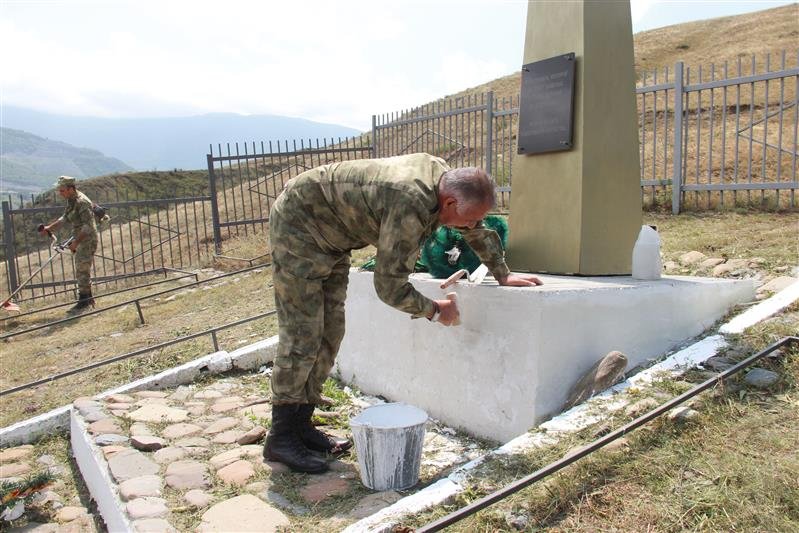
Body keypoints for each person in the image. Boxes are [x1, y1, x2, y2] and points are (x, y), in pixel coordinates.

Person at [265, 152, 543, 474]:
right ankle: (282, 437)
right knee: (303, 334)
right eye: (467, 219)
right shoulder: (410, 203)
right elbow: (389, 287)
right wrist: (435, 311)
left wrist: (502, 273)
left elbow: (475, 229)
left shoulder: (448, 185)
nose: (470, 226)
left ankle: (301, 426)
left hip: (332, 239)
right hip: (299, 227)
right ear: (450, 203)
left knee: (330, 331)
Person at [39, 176, 99, 314]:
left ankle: (84, 302)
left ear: (71, 189)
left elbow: (88, 226)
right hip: (79, 237)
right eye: (59, 191)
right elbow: (65, 218)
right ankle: (88, 299)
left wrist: (76, 242)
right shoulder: (71, 200)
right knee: (81, 268)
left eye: (62, 190)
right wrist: (49, 228)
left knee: (81, 268)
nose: (60, 193)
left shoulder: (82, 202)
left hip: (87, 238)